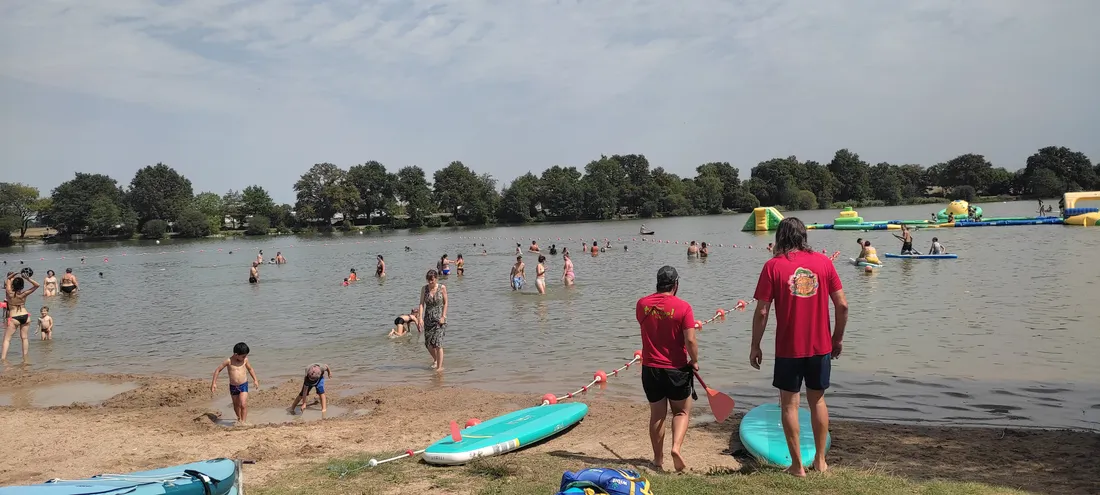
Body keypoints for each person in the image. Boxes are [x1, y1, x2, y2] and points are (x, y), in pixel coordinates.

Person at [749, 217, 848, 477]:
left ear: (780, 237)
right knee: (818, 401)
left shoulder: (773, 266)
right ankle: (820, 461)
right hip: (820, 346)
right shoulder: (824, 263)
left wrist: (755, 345)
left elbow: (762, 311)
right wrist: (837, 338)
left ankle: (797, 466)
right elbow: (842, 305)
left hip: (788, 348)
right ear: (804, 236)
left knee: (789, 405)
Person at [636, 266, 698, 472]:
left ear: (657, 283)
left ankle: (657, 459)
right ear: (676, 285)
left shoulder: (642, 304)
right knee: (681, 412)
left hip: (650, 369)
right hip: (676, 369)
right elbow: (690, 340)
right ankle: (676, 448)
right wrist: (694, 360)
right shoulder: (684, 307)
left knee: (657, 415)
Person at [211, 342, 259, 425]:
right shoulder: (229, 361)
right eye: (243, 356)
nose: (245, 357)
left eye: (245, 356)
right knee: (236, 405)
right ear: (236, 355)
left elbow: (250, 369)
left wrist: (255, 380)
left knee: (243, 404)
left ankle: (243, 422)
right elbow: (218, 370)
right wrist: (214, 383)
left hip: (243, 385)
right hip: (233, 387)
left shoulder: (245, 360)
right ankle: (239, 419)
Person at [3, 271, 40, 362]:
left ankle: (3, 359)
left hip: (14, 317)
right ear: (22, 286)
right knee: (24, 338)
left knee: (7, 339)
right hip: (25, 316)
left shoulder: (9, 293)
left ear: (13, 285)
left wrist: (16, 273)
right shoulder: (24, 294)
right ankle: (25, 358)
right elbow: (37, 285)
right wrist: (27, 278)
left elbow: (8, 279)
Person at [418, 269, 449, 371]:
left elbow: (446, 302)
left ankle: (439, 368)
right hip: (428, 318)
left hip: (440, 319)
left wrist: (443, 316)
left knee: (438, 343)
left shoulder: (442, 288)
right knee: (428, 344)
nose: (430, 282)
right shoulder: (424, 289)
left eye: (432, 280)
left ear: (436, 278)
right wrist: (420, 318)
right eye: (428, 280)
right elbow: (421, 304)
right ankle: (436, 359)